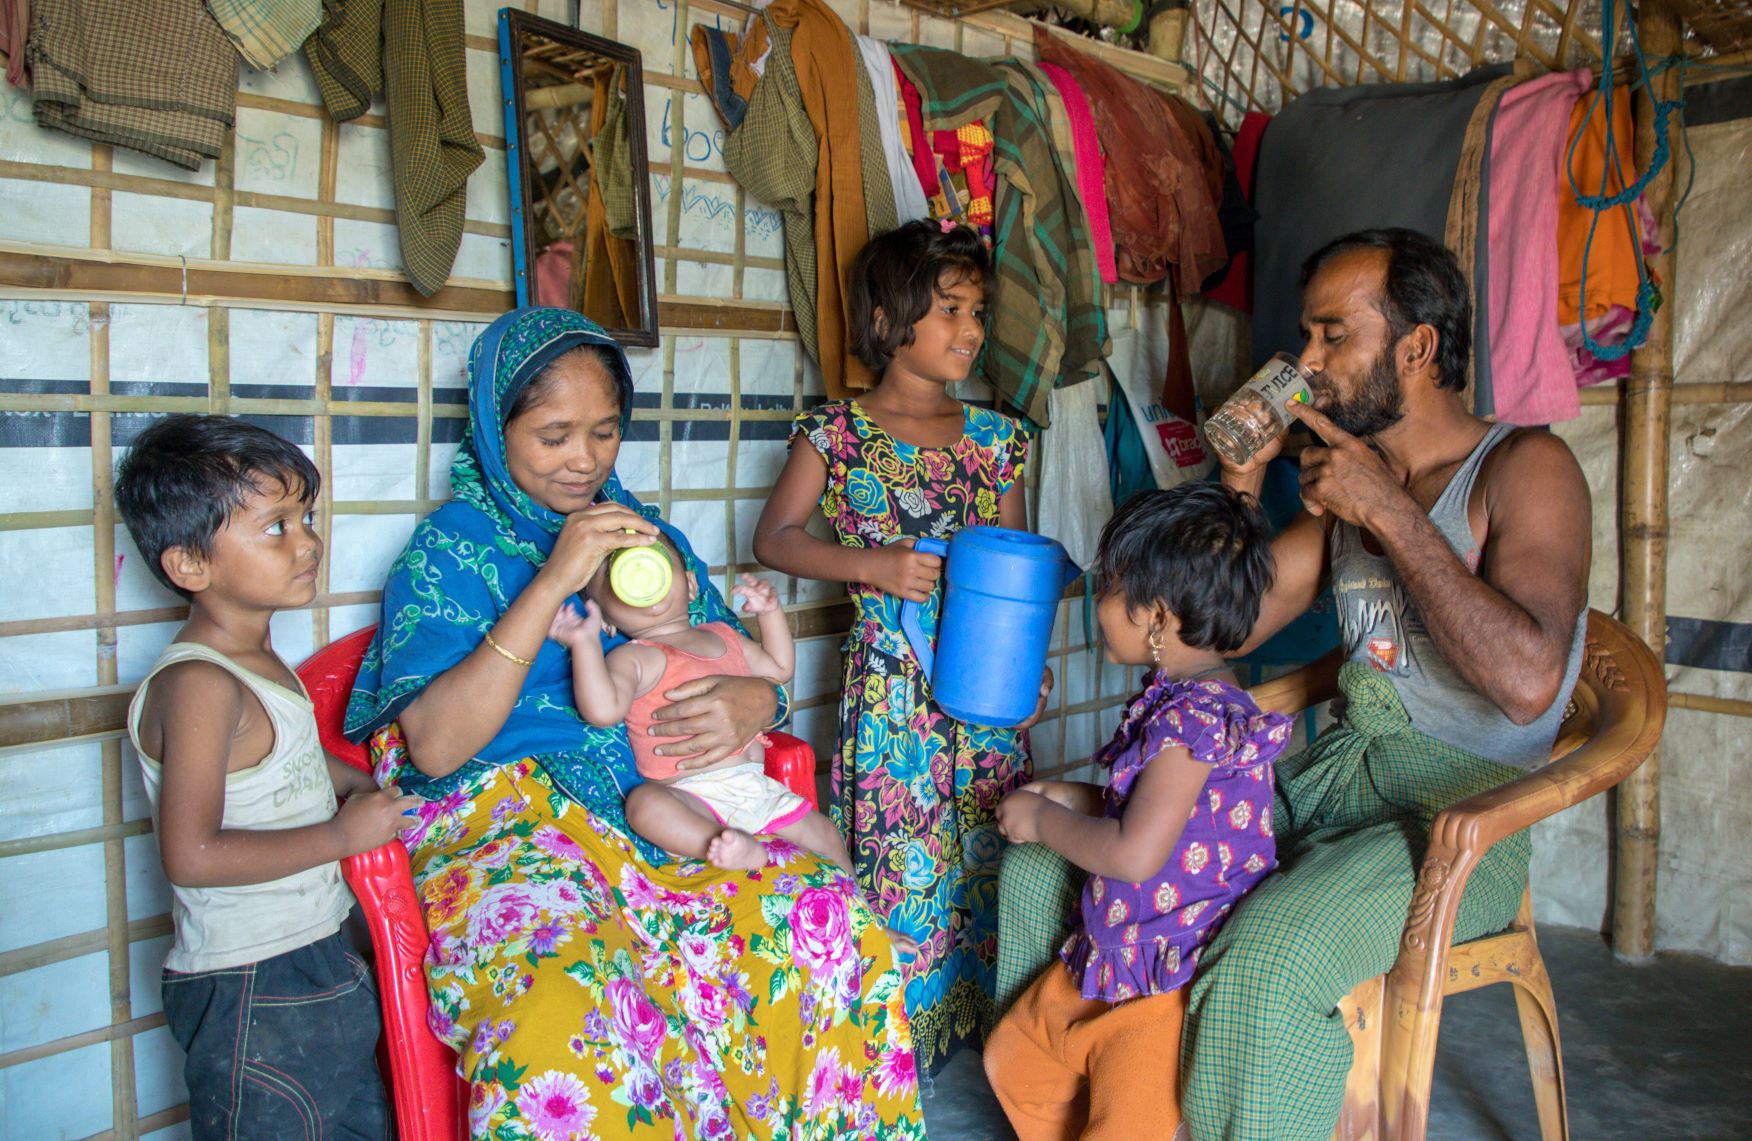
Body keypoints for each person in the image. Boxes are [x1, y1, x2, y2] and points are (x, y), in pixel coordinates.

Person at [344, 308, 923, 1139]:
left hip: (659, 812)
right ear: (493, 426)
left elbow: (738, 656)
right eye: (553, 436)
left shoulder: (647, 538)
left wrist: (759, 702)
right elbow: (432, 746)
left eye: (605, 431)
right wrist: (552, 581)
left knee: (826, 923)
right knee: (570, 1011)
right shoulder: (446, 554)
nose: (584, 460)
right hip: (505, 830)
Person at [1175, 227, 1591, 1137]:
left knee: (1264, 964)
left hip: (1464, 823)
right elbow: (1222, 626)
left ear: (1417, 347)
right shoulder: (1351, 486)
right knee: (1080, 859)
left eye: (1332, 336)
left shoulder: (1527, 468)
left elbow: (1527, 682)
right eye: (1306, 337)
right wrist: (1241, 487)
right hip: (1338, 781)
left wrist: (1390, 512)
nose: (1305, 364)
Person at [753, 219, 1049, 1075]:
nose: (970, 330)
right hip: (889, 697)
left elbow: (1022, 576)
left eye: (977, 312)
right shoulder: (836, 435)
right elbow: (775, 537)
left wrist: (1036, 673)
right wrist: (870, 565)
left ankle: (998, 1034)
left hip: (987, 693)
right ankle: (898, 1047)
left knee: (991, 851)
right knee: (899, 862)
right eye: (949, 309)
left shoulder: (999, 441)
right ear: (888, 316)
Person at [114, 414, 412, 1140]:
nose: (307, 540)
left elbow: (286, 771)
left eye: (305, 516)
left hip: (315, 958)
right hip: (252, 982)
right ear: (189, 565)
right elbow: (193, 853)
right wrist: (344, 832)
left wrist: (353, 787)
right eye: (275, 526)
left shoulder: (262, 662)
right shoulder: (200, 684)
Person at [985, 483, 1292, 1141]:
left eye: (1109, 587)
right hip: (1123, 943)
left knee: (1129, 1118)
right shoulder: (1189, 697)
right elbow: (1159, 814)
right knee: (1014, 1056)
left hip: (1165, 970)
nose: (1097, 605)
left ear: (1155, 616)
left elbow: (1133, 851)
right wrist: (1070, 796)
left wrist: (1042, 823)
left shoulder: (1190, 723)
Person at [548, 540, 832, 873]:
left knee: (827, 835)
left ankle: (869, 920)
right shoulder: (633, 657)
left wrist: (770, 613)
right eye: (616, 575)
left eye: (657, 563)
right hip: (689, 798)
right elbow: (602, 710)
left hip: (756, 787)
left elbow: (779, 669)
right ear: (607, 622)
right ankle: (723, 842)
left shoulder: (724, 635)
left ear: (691, 584)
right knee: (643, 806)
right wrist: (585, 645)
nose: (642, 575)